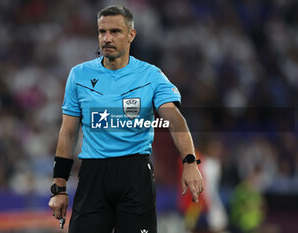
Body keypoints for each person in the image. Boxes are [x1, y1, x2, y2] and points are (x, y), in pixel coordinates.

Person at [48, 5, 204, 233]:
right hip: (93, 175)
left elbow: (175, 119)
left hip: (135, 174)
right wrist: (59, 187)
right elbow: (68, 133)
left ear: (131, 35)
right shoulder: (79, 75)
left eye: (115, 31)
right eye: (102, 32)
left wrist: (190, 162)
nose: (107, 38)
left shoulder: (151, 75)